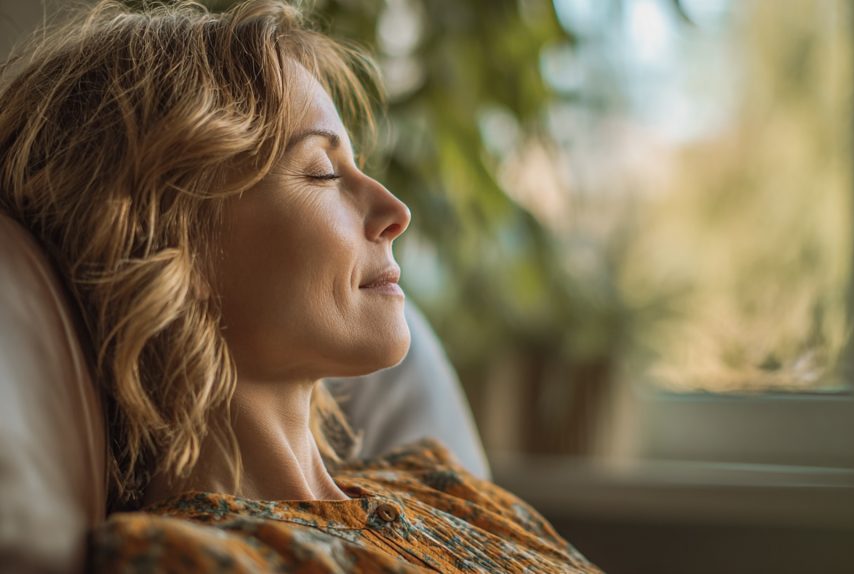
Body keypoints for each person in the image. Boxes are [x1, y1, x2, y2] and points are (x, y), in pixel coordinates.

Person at [0, 1, 600, 571]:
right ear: (173, 243)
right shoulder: (196, 560)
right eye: (322, 171)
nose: (396, 211)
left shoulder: (444, 484)